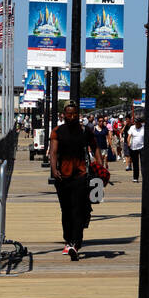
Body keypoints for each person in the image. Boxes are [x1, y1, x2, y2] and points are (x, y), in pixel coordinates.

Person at [48, 101, 104, 261]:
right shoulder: (57, 131)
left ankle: (76, 244)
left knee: (78, 210)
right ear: (64, 115)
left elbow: (96, 147)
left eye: (74, 114)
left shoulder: (85, 131)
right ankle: (68, 239)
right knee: (65, 210)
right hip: (62, 177)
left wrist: (101, 168)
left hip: (80, 175)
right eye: (68, 114)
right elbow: (53, 152)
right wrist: (54, 169)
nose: (71, 116)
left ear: (77, 115)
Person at [126, 115, 145, 182]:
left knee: (143, 163)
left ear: (140, 122)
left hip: (142, 147)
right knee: (135, 163)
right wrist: (128, 142)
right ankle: (135, 178)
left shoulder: (144, 128)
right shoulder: (132, 128)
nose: (136, 124)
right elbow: (129, 136)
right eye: (135, 122)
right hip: (133, 148)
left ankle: (144, 177)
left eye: (137, 122)